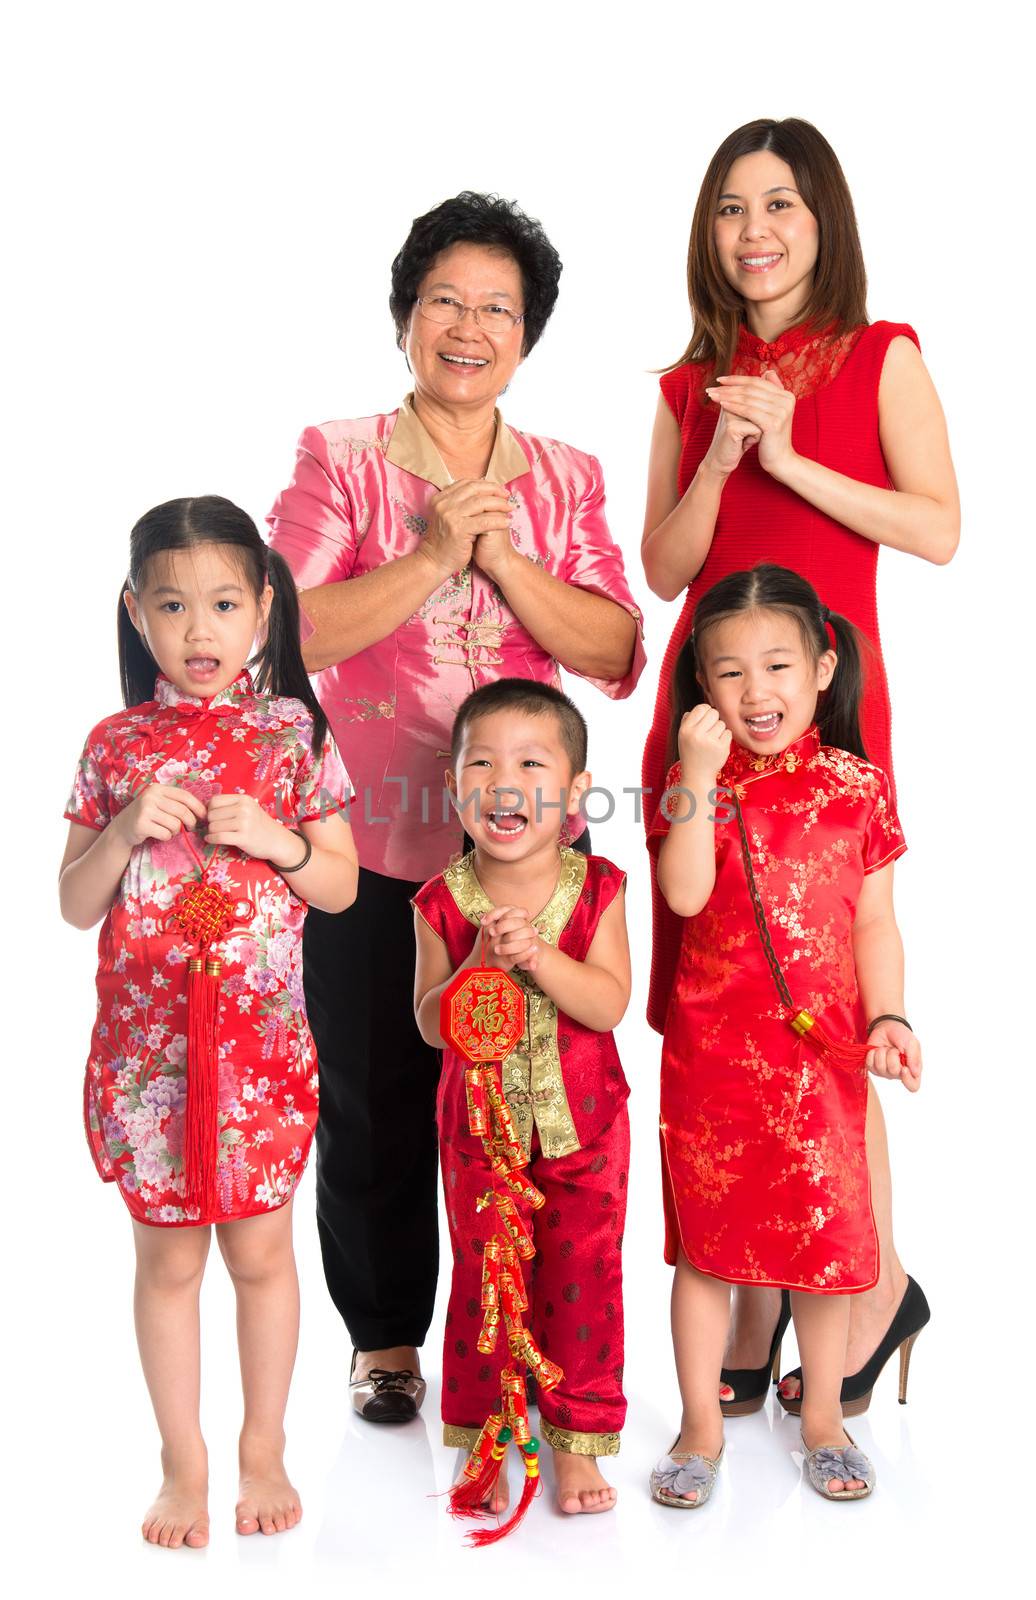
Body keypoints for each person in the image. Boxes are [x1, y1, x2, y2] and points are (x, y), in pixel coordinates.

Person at [268, 192, 644, 1420]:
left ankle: (536, 1332)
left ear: (527, 336)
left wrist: (504, 559)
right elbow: (290, 634)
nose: (471, 328)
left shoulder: (568, 476)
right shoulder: (341, 456)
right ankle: (387, 1339)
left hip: (535, 857)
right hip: (374, 845)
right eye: (447, 302)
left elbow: (616, 647)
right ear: (404, 318)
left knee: (543, 1102)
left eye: (500, 309)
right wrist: (430, 555)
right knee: (374, 1098)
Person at [640, 117, 953, 1414]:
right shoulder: (683, 384)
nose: (755, 232)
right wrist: (723, 449)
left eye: (780, 204)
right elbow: (666, 570)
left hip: (824, 713)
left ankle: (874, 1288)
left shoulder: (882, 357)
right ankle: (753, 1293)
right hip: (710, 716)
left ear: (824, 220)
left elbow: (939, 529)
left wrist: (792, 459)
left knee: (821, 1003)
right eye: (730, 209)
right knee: (721, 1004)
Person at [59, 497, 358, 1549]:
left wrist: (280, 839)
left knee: (264, 1257)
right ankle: (180, 1462)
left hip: (260, 1050)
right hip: (151, 1060)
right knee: (169, 1263)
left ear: (264, 606)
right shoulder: (114, 747)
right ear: (135, 612)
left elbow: (340, 887)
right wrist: (125, 827)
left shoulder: (291, 737)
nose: (200, 632)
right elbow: (74, 901)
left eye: (225, 603)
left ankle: (263, 1447)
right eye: (174, 605)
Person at [648, 564, 922, 1506]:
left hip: (820, 1057)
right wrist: (693, 774)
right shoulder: (699, 789)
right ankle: (696, 1425)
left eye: (776, 666)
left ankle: (824, 1420)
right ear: (702, 689)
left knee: (828, 1240)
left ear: (821, 666)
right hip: (713, 1057)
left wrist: (889, 1014)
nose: (756, 691)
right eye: (729, 674)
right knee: (706, 1252)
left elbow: (875, 922)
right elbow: (683, 895)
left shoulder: (856, 785)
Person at [412, 679, 631, 1524]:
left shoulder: (599, 886)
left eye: (532, 764)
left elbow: (608, 1003)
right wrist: (478, 963)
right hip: (478, 1138)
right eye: (483, 764)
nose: (506, 785)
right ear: (454, 784)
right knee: (487, 1277)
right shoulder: (440, 901)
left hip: (586, 1132)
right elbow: (433, 1026)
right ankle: (486, 1433)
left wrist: (539, 956)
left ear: (574, 792)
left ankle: (577, 1440)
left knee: (583, 1274)